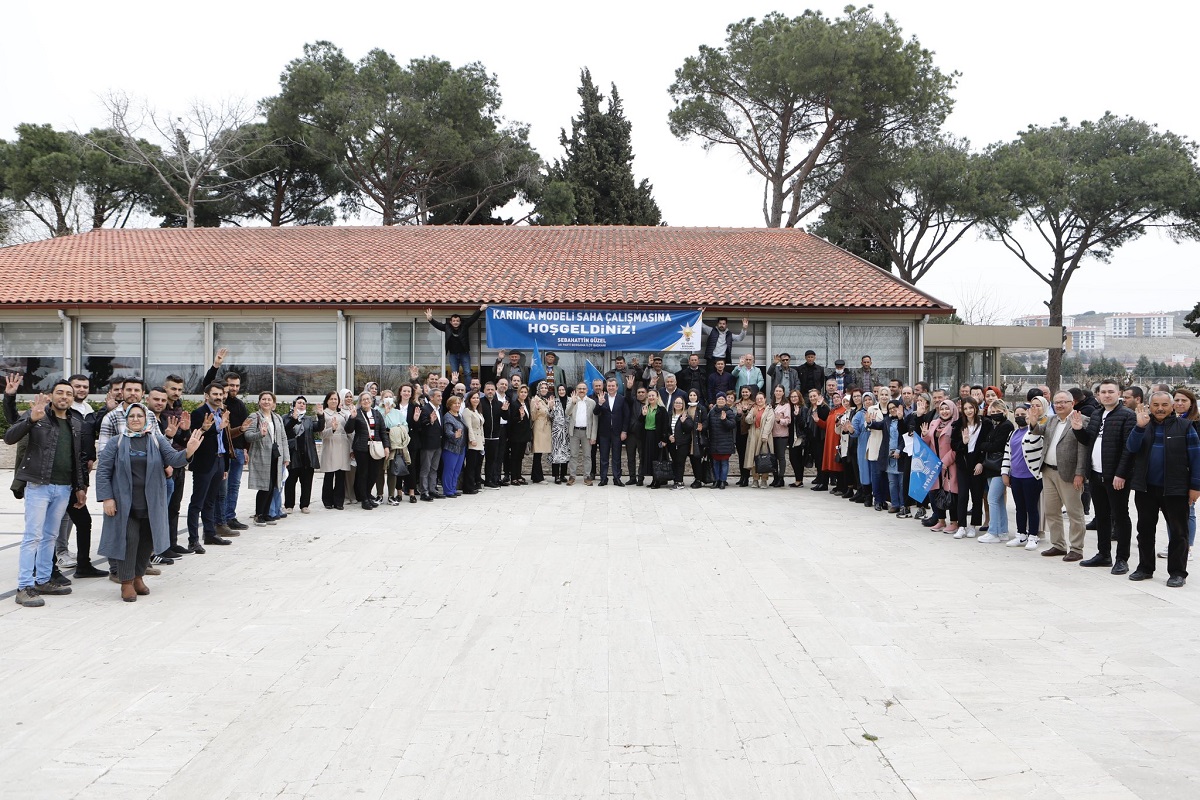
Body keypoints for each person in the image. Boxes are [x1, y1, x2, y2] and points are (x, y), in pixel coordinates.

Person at [96, 404, 203, 602]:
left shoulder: (156, 439)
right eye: (132, 416)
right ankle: (126, 582)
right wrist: (107, 498)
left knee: (147, 541)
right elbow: (103, 471)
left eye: (140, 416)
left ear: (146, 419)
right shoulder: (116, 442)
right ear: (126, 419)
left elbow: (174, 459)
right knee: (129, 540)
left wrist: (188, 452)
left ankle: (138, 577)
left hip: (151, 502)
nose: (136, 419)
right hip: (124, 504)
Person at [6, 383, 89, 607]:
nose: (64, 397)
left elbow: (77, 458)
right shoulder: (38, 415)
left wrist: (80, 487)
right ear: (51, 396)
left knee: (50, 536)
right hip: (38, 485)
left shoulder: (75, 422)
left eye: (69, 394)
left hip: (63, 488)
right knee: (33, 536)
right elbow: (9, 437)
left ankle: (43, 580)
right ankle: (24, 586)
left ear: (73, 398)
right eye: (60, 392)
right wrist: (31, 418)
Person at [1126, 392, 1200, 587]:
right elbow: (1131, 448)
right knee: (1145, 530)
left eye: (1165, 404)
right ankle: (1145, 568)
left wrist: (1195, 486)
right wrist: (1139, 428)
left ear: (1172, 406)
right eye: (1156, 404)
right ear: (1149, 406)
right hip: (1145, 488)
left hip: (1176, 489)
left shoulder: (1185, 427)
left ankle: (1177, 573)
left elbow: (1196, 458)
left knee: (1178, 532)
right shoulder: (1143, 425)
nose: (1160, 408)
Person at [1071, 378, 1137, 575]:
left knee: (1120, 516)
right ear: (1098, 395)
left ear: (1119, 394)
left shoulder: (1127, 416)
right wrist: (1078, 430)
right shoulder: (1098, 413)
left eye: (1111, 391)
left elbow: (1129, 449)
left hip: (1116, 477)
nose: (1107, 395)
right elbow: (1089, 441)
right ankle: (1104, 554)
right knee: (1101, 516)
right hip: (1096, 474)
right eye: (1103, 392)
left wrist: (1121, 474)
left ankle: (1122, 559)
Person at [1029, 391, 1089, 558]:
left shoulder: (1081, 420)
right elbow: (1038, 431)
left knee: (1074, 512)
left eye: (1064, 402)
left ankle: (1076, 548)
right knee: (1051, 511)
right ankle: (1058, 545)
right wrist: (1033, 422)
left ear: (1072, 403)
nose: (1060, 405)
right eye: (1057, 402)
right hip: (1048, 471)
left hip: (1070, 474)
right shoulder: (1052, 420)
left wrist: (1080, 473)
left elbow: (1083, 449)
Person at [186, 383, 234, 551]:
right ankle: (193, 539)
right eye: (215, 394)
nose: (219, 397)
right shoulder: (199, 413)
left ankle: (210, 533)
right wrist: (216, 428)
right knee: (197, 502)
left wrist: (226, 466)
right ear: (207, 396)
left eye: (221, 394)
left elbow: (225, 441)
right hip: (204, 462)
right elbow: (197, 435)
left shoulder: (222, 413)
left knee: (211, 501)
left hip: (220, 461)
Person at [243, 392, 289, 526]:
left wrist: (286, 456)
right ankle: (259, 514)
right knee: (264, 486)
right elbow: (248, 436)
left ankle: (267, 513)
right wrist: (260, 434)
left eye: (269, 399)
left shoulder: (277, 418)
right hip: (261, 456)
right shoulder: (254, 416)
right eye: (263, 399)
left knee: (273, 485)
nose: (266, 402)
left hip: (276, 456)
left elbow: (283, 438)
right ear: (259, 402)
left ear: (273, 403)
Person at [1001, 402, 1043, 547]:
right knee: (1020, 507)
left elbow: (1036, 444)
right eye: (1017, 415)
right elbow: (1008, 453)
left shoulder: (1035, 431)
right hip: (1016, 476)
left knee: (1031, 507)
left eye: (1023, 415)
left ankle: (1033, 535)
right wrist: (1005, 472)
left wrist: (1033, 423)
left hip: (1031, 476)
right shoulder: (1012, 433)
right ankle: (1021, 534)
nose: (1020, 417)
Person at [345, 391, 389, 510]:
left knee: (374, 473)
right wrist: (352, 418)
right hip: (361, 448)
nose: (366, 401)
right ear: (360, 402)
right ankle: (364, 499)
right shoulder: (357, 413)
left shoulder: (377, 413)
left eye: (368, 399)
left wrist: (386, 447)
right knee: (363, 473)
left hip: (376, 447)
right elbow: (348, 430)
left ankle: (367, 494)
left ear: (372, 400)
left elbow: (383, 432)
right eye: (363, 399)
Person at [922, 400, 960, 534]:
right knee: (935, 492)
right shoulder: (934, 423)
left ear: (953, 410)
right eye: (942, 409)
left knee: (951, 493)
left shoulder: (956, 425)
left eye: (947, 409)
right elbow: (927, 444)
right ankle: (941, 520)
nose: (944, 411)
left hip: (949, 465)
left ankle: (954, 522)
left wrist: (945, 461)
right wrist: (925, 435)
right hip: (934, 464)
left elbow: (957, 447)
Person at [980, 400, 1015, 545]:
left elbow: (997, 446)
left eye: (998, 411)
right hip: (992, 467)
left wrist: (983, 445)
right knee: (998, 500)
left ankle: (993, 531)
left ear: (1005, 411)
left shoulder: (1006, 425)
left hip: (1000, 467)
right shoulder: (996, 426)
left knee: (992, 499)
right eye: (992, 412)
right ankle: (1002, 531)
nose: (995, 414)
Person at [951, 397, 986, 538]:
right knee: (963, 495)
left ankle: (973, 525)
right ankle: (962, 526)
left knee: (977, 496)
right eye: (965, 408)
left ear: (976, 408)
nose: (968, 411)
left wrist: (981, 463)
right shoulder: (958, 424)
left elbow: (986, 445)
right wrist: (964, 442)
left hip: (977, 463)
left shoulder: (985, 424)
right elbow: (954, 445)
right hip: (963, 464)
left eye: (971, 408)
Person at [283, 396, 324, 515]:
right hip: (292, 454)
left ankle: (305, 505)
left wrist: (321, 416)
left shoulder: (309, 419)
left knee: (307, 482)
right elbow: (285, 430)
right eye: (299, 403)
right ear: (294, 405)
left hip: (307, 454)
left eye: (304, 403)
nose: (301, 405)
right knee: (290, 481)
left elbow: (319, 427)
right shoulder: (286, 418)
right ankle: (289, 505)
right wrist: (293, 419)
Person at [425, 305, 486, 378]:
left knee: (467, 372)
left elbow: (473, 318)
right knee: (454, 374)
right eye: (454, 321)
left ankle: (468, 389)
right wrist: (431, 319)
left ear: (460, 322)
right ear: (450, 322)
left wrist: (480, 310)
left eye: (457, 321)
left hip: (464, 354)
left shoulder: (464, 326)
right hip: (453, 354)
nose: (455, 322)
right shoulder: (447, 327)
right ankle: (455, 388)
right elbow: (438, 325)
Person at [317, 391, 351, 510]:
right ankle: (327, 500)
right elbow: (321, 434)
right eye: (331, 399)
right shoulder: (324, 414)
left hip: (343, 446)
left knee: (341, 475)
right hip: (330, 445)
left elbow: (349, 431)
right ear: (327, 400)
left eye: (335, 399)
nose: (333, 401)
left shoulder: (343, 414)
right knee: (329, 474)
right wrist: (332, 429)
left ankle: (339, 501)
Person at [594, 378, 628, 486]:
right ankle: (603, 478)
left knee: (616, 457)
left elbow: (626, 416)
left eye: (613, 386)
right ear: (606, 387)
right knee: (603, 457)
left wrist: (624, 431)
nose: (611, 388)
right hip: (604, 433)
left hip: (617, 433)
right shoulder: (601, 398)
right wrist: (599, 404)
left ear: (617, 387)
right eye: (609, 386)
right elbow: (595, 412)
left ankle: (616, 478)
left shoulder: (622, 399)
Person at [563, 383, 596, 486]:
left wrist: (593, 436)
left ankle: (587, 477)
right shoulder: (572, 400)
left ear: (587, 390)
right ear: (576, 390)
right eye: (579, 388)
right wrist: (572, 403)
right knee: (573, 455)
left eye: (583, 388)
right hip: (574, 432)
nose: (581, 390)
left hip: (587, 432)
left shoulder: (592, 402)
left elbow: (595, 421)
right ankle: (572, 476)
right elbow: (567, 413)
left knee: (587, 455)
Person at [637, 389, 671, 487]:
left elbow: (665, 426)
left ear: (657, 397)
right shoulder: (645, 408)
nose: (651, 398)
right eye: (649, 396)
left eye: (653, 396)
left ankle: (658, 480)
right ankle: (654, 479)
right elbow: (640, 422)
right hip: (647, 436)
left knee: (657, 458)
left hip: (657, 437)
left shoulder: (662, 410)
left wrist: (664, 440)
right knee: (649, 458)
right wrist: (643, 415)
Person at [380, 392, 409, 504]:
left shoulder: (397, 412)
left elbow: (405, 426)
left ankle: (391, 495)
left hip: (395, 443)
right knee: (380, 470)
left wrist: (398, 429)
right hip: (382, 443)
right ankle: (379, 494)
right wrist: (385, 414)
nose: (388, 399)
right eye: (386, 397)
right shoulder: (377, 411)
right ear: (382, 399)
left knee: (392, 470)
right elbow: (382, 426)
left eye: (390, 397)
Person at [745, 391, 775, 489]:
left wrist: (765, 435)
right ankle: (755, 479)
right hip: (754, 434)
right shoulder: (753, 409)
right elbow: (748, 420)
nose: (759, 400)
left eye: (761, 398)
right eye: (757, 399)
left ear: (765, 399)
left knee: (764, 457)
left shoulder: (769, 410)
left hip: (764, 435)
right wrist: (752, 415)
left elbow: (769, 423)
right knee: (754, 458)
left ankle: (764, 480)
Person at [707, 393, 737, 489]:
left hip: (725, 442)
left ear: (725, 401)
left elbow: (732, 425)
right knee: (715, 462)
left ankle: (723, 481)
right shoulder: (711, 412)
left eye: (722, 399)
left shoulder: (729, 412)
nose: (720, 401)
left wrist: (724, 420)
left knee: (724, 462)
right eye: (719, 399)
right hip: (714, 441)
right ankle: (716, 480)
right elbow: (708, 425)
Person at [440, 396, 467, 498]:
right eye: (455, 403)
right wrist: (454, 436)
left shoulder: (459, 415)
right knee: (449, 469)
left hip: (461, 447)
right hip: (451, 448)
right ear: (449, 405)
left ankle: (453, 488)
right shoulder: (448, 417)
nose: (457, 405)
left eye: (459, 403)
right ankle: (448, 491)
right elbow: (448, 432)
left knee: (457, 470)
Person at [480, 383, 506, 489]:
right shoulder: (480, 403)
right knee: (479, 461)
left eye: (492, 389)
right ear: (484, 390)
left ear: (495, 391)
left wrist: (505, 410)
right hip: (482, 437)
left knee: (491, 460)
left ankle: (489, 480)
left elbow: (505, 417)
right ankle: (477, 480)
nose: (490, 391)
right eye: (488, 389)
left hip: (495, 436)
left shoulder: (499, 404)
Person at [665, 396, 694, 489]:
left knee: (680, 462)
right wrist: (669, 436)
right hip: (672, 443)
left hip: (682, 444)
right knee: (674, 461)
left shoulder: (686, 416)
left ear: (683, 405)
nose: (678, 405)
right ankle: (676, 480)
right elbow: (666, 428)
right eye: (676, 403)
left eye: (680, 403)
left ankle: (680, 481)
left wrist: (684, 422)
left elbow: (689, 429)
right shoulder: (669, 415)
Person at [505, 385, 532, 485]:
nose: (523, 394)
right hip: (516, 435)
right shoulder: (514, 404)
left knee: (520, 456)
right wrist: (520, 417)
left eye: (525, 392)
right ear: (518, 393)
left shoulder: (526, 404)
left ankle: (519, 475)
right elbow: (511, 419)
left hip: (524, 435)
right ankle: (513, 478)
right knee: (515, 456)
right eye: (522, 392)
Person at [815, 390, 841, 493]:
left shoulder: (843, 410)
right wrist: (818, 421)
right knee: (833, 463)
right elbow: (826, 425)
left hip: (838, 440)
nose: (835, 399)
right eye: (834, 398)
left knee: (839, 464)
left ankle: (842, 486)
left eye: (838, 397)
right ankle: (838, 486)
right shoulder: (832, 411)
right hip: (830, 440)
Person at [530, 382, 554, 483]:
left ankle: (534, 475)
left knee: (539, 454)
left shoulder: (547, 400)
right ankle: (538, 477)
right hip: (539, 428)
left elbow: (551, 416)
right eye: (542, 388)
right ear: (538, 389)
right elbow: (533, 417)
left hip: (546, 428)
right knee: (537, 453)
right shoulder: (535, 399)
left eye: (546, 388)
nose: (544, 389)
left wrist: (551, 408)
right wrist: (536, 408)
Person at [461, 390, 484, 495]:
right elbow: (469, 427)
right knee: (470, 465)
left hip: (479, 441)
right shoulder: (467, 411)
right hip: (472, 442)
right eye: (473, 398)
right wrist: (472, 439)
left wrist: (482, 440)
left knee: (477, 464)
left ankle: (474, 483)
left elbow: (481, 427)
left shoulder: (477, 411)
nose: (476, 400)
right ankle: (468, 487)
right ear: (469, 400)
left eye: (477, 398)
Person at [684, 389, 708, 488]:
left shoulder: (701, 408)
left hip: (697, 438)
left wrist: (702, 426)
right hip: (687, 437)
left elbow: (706, 420)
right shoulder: (686, 408)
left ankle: (698, 479)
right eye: (691, 395)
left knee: (697, 459)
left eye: (694, 395)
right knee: (691, 460)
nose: (692, 397)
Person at [770, 385, 792, 487]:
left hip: (781, 435)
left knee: (781, 457)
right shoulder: (771, 404)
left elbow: (788, 420)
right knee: (773, 457)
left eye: (780, 391)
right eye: (776, 391)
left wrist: (780, 420)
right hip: (771, 434)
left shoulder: (786, 405)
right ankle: (775, 477)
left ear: (783, 393)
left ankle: (781, 478)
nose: (778, 393)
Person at [551, 384, 571, 484]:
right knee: (556, 454)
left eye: (563, 389)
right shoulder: (554, 401)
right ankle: (556, 476)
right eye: (559, 390)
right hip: (557, 432)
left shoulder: (571, 401)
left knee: (565, 453)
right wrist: (550, 408)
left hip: (567, 431)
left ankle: (563, 475)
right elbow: (550, 416)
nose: (561, 391)